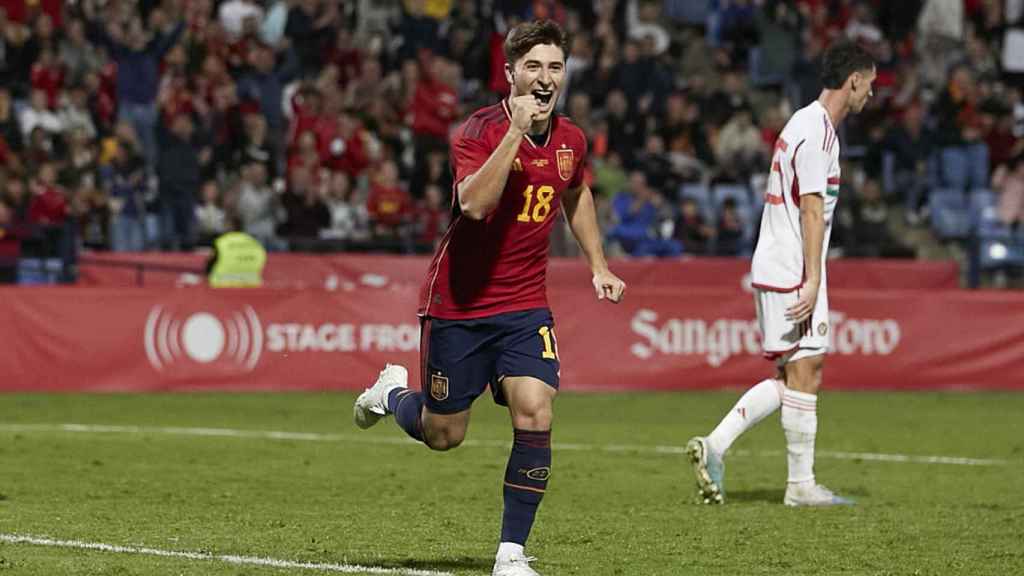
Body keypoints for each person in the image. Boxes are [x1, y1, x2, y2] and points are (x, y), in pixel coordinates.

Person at [352, 19, 626, 576]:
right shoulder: (477, 132)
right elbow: (474, 205)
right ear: (511, 75)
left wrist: (598, 263)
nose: (545, 78)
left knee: (536, 409)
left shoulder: (571, 139)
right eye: (533, 67)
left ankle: (510, 553)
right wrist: (514, 135)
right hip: (459, 306)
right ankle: (391, 394)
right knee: (443, 435)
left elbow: (575, 195)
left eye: (554, 67)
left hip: (525, 306)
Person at [686, 41, 876, 507]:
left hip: (782, 262)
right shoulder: (816, 132)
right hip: (793, 267)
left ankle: (729, 451)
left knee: (799, 372)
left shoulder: (807, 124)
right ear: (853, 80)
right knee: (805, 370)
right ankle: (795, 484)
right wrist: (812, 280)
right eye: (869, 85)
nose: (870, 95)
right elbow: (812, 210)